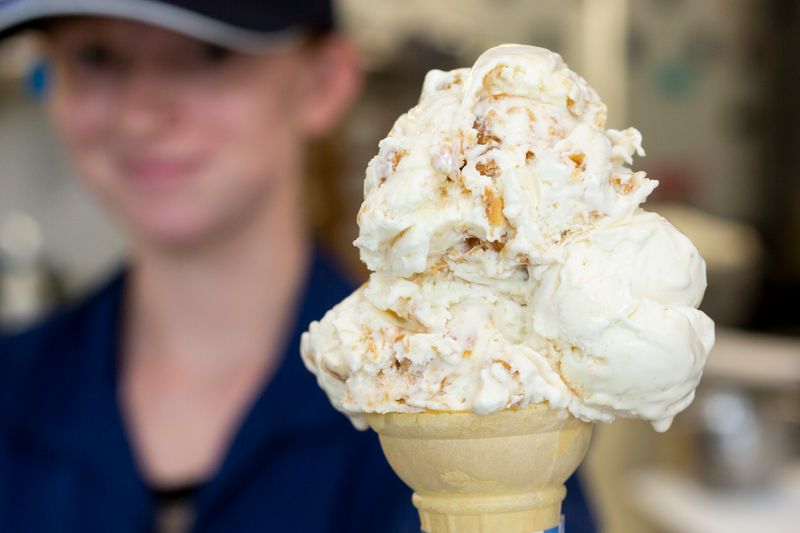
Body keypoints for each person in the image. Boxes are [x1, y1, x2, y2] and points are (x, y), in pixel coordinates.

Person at [0, 1, 598, 532]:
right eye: (97, 57)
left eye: (207, 55)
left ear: (322, 83)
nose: (140, 116)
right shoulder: (13, 388)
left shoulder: (476, 401)